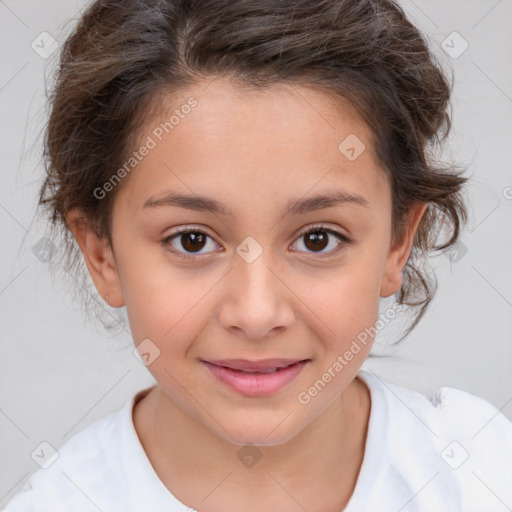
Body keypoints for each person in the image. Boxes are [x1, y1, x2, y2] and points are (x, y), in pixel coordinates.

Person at [3, 0, 511, 511]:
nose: (256, 314)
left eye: (318, 239)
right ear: (102, 254)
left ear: (397, 242)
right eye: (192, 240)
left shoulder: (484, 474)